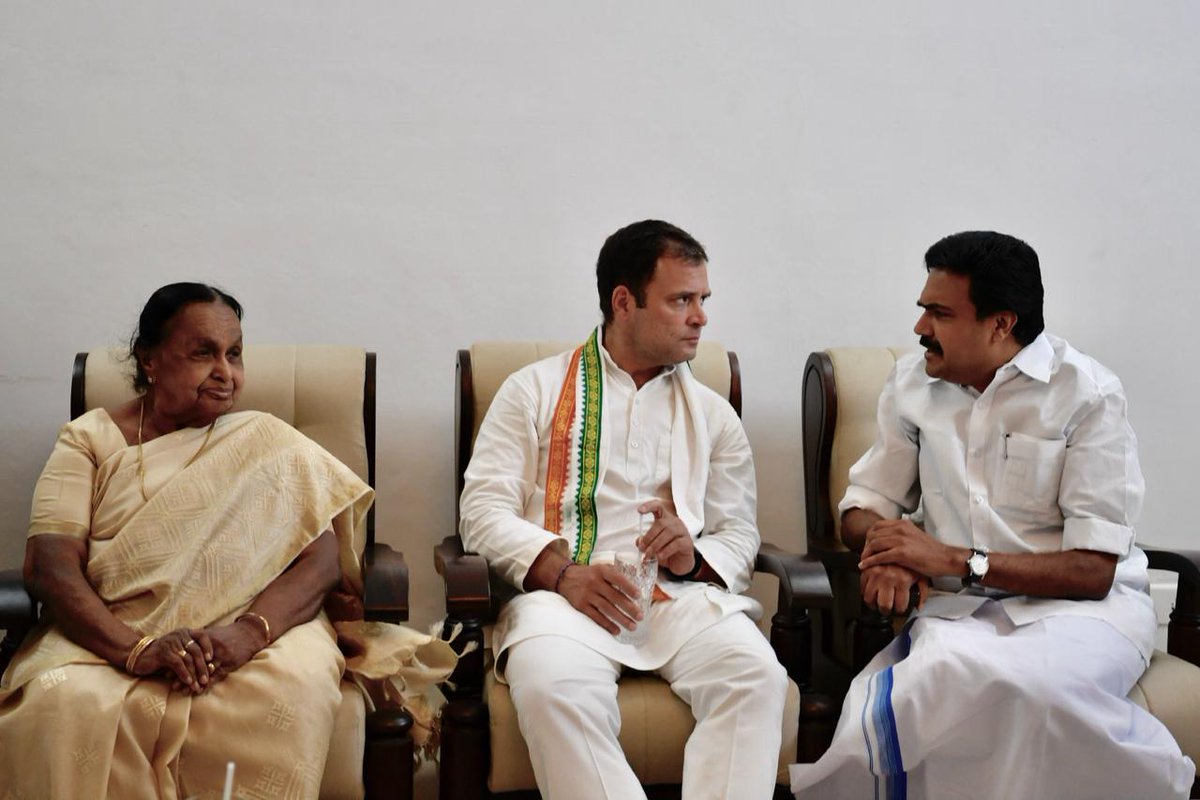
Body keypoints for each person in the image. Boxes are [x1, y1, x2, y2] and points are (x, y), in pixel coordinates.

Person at [0, 283, 455, 800]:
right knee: (64, 702)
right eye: (203, 353)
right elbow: (50, 564)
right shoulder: (89, 440)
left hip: (261, 623)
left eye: (234, 353)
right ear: (149, 359)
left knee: (290, 688)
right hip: (112, 624)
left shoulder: (267, 440)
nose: (225, 372)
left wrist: (249, 633)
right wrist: (137, 650)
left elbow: (322, 562)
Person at [790, 231, 1195, 799]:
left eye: (939, 312)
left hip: (1085, 615)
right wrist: (890, 549)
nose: (919, 328)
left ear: (1000, 324)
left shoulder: (1087, 394)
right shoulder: (912, 383)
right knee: (923, 690)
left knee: (1032, 690)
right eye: (922, 308)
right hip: (963, 611)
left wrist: (946, 558)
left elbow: (1092, 571)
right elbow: (862, 506)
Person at [459, 220, 788, 799]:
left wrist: (692, 557)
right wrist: (563, 574)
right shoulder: (531, 390)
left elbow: (737, 531)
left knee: (757, 676)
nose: (700, 316)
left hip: (679, 600)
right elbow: (482, 510)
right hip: (565, 599)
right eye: (681, 299)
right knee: (551, 685)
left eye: (703, 299)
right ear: (624, 301)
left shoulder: (714, 416)